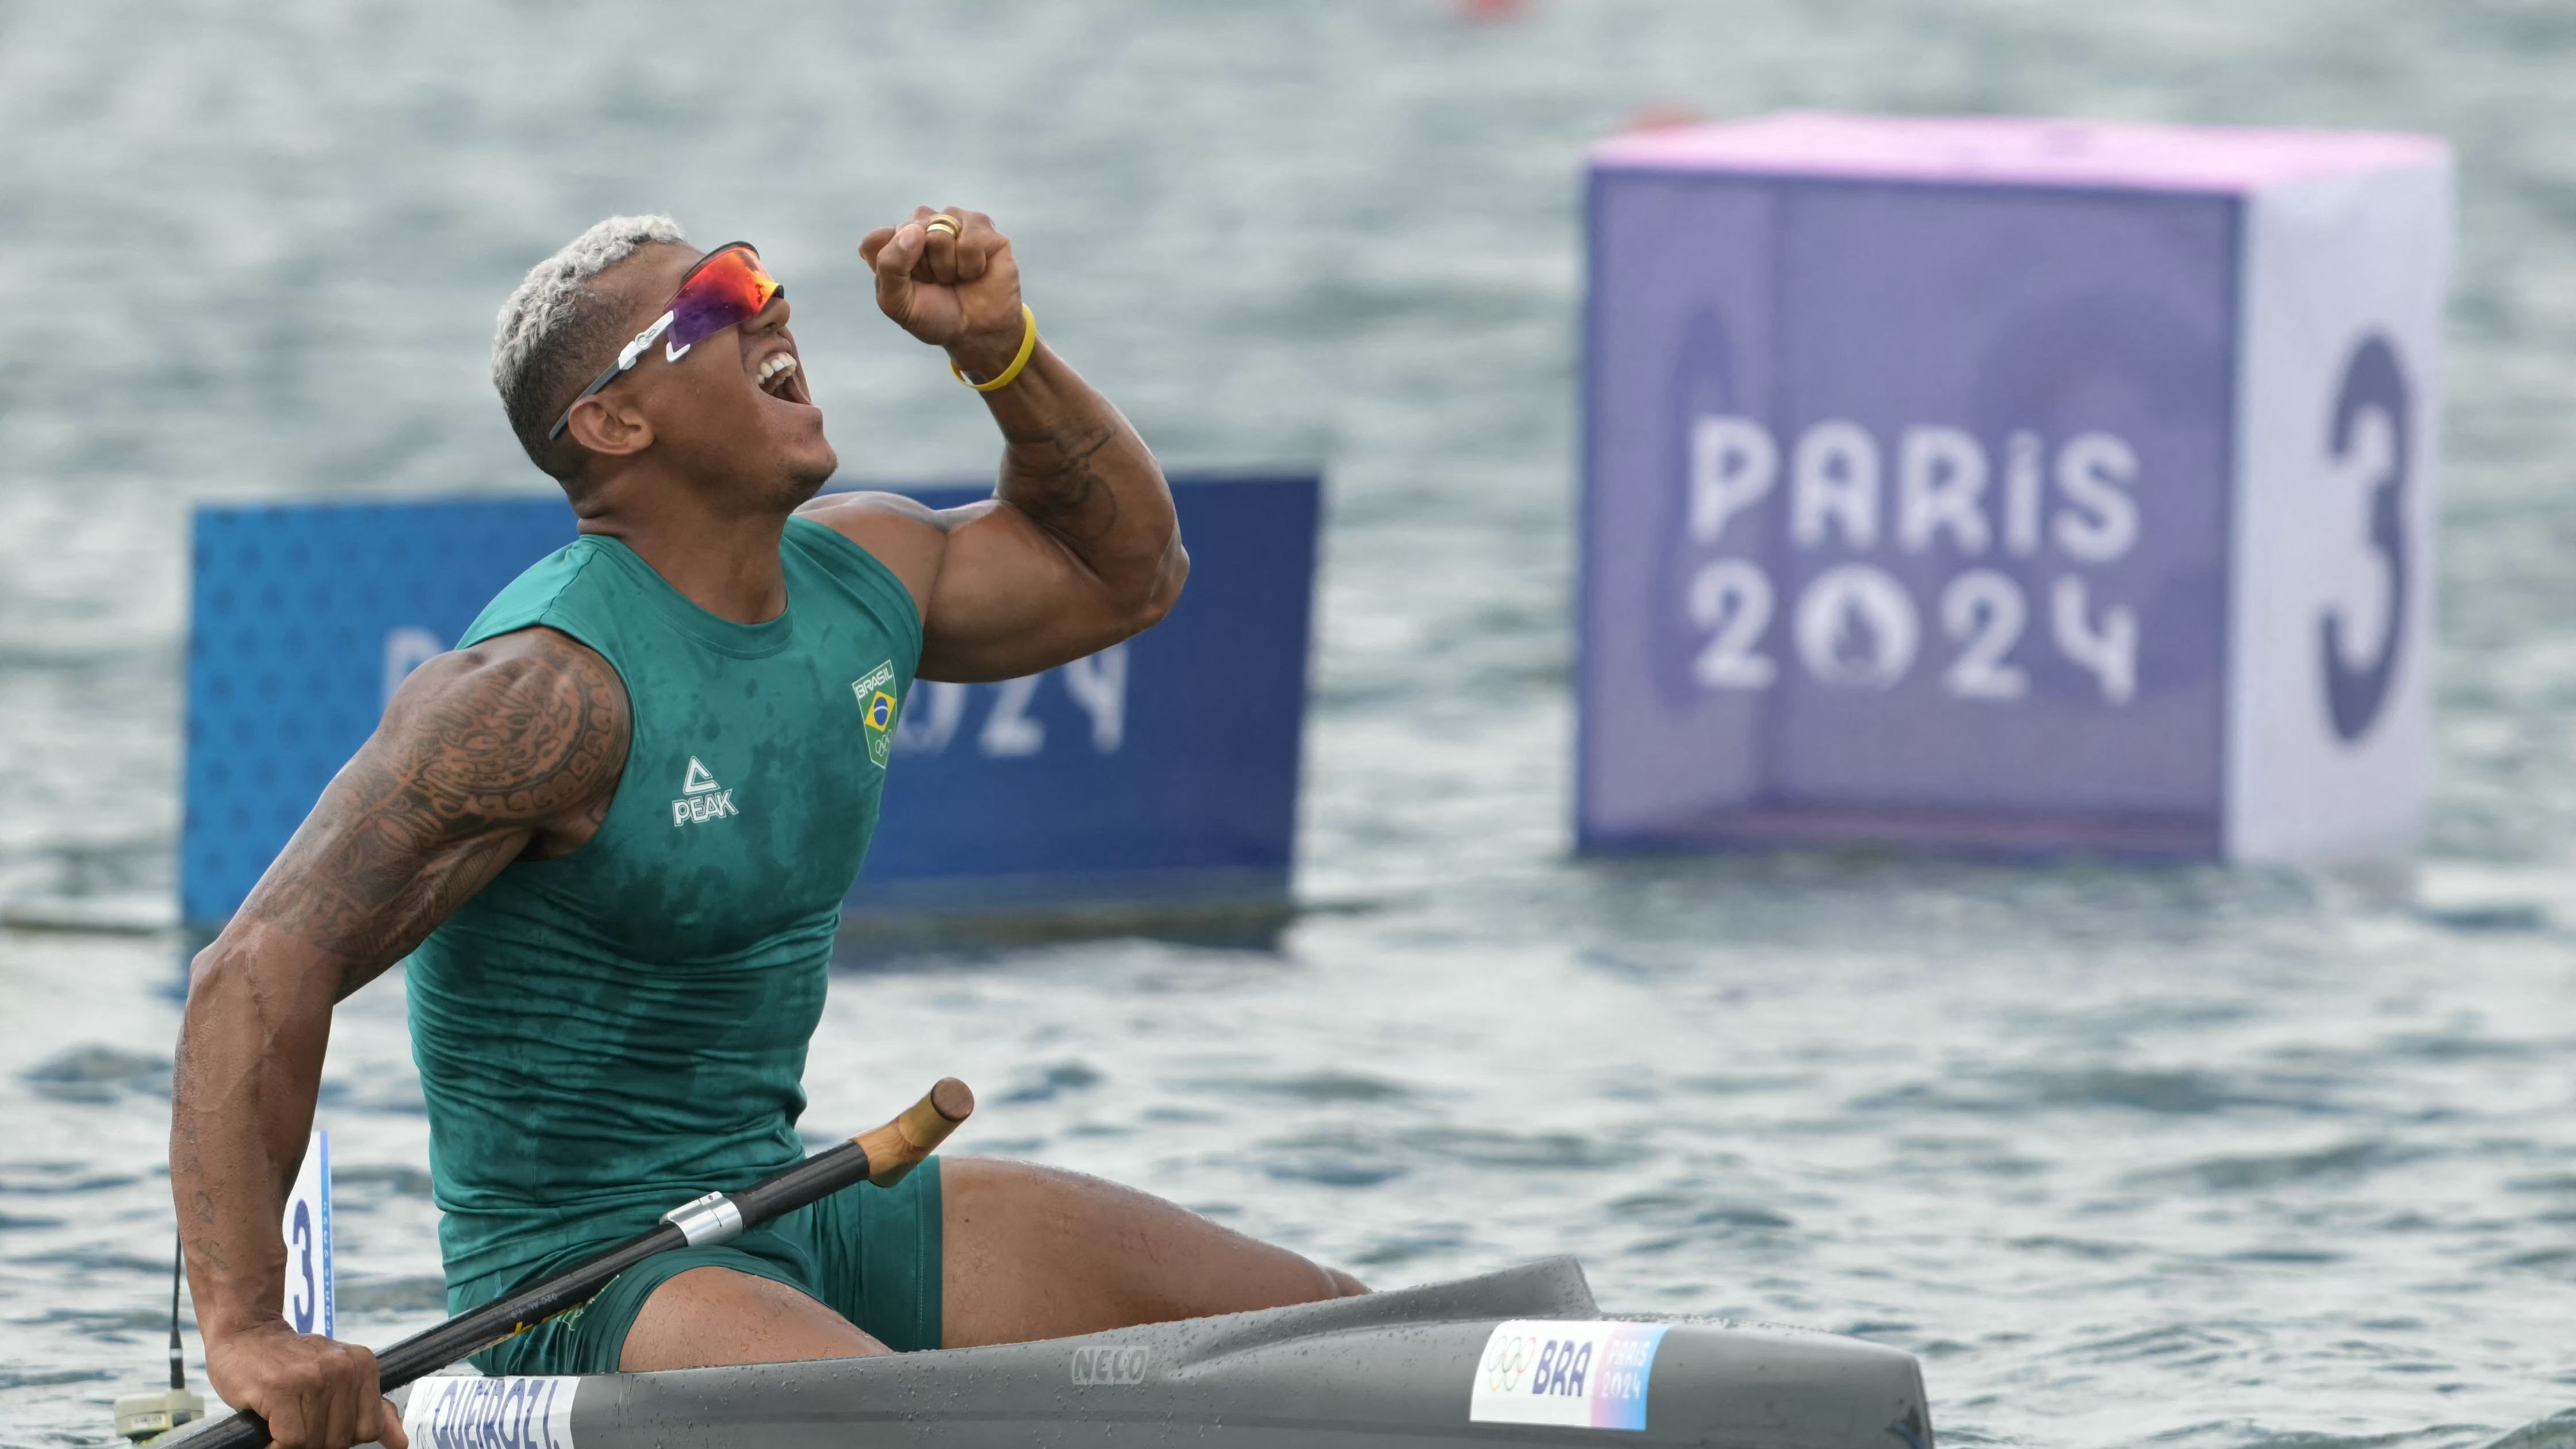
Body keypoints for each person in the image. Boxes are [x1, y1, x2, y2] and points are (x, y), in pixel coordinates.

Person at [168, 208, 1364, 1449]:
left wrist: (1001, 354)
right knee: (919, 1434)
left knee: (1333, 1337)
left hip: (795, 1207)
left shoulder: (870, 573)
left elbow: (1129, 572)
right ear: (615, 424)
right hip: (587, 1287)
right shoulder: (538, 696)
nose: (768, 305)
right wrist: (254, 1334)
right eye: (711, 304)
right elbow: (254, 973)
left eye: (756, 275)